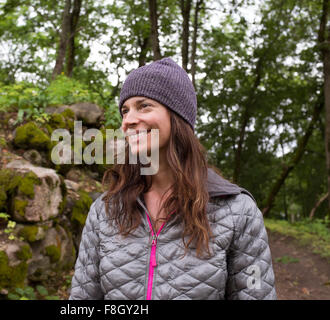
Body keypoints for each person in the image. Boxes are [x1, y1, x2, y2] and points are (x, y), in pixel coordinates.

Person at [69, 57, 277, 300]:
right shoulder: (106, 210)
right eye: (125, 110)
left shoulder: (237, 212)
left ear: (177, 116)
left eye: (144, 105)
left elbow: (256, 293)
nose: (128, 121)